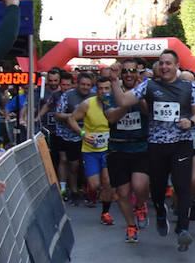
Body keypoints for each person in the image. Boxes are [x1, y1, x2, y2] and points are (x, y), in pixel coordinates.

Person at [113, 49, 195, 251]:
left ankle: (183, 230)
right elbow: (122, 101)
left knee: (182, 186)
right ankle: (160, 213)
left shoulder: (189, 87)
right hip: (156, 144)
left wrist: (190, 121)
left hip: (181, 142)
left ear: (176, 66)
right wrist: (113, 81)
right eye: (161, 63)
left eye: (168, 63)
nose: (164, 67)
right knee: (158, 188)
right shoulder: (149, 86)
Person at [104, 60, 155, 240]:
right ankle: (131, 226)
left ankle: (140, 205)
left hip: (140, 146)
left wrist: (138, 95)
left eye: (132, 70)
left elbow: (150, 112)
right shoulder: (110, 94)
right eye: (124, 71)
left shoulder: (144, 91)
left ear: (137, 73)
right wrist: (123, 100)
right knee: (123, 192)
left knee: (139, 185)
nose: (128, 74)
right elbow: (111, 117)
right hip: (118, 148)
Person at [66, 76, 123, 232]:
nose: (103, 92)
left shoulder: (116, 104)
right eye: (100, 88)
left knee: (107, 180)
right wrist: (83, 133)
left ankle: (105, 212)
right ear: (95, 90)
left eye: (106, 88)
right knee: (95, 184)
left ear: (111, 90)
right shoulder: (87, 104)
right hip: (90, 150)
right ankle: (99, 192)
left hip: (108, 149)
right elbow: (71, 119)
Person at [52, 72, 91, 204]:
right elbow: (57, 114)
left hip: (88, 134)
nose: (85, 87)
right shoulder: (67, 96)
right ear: (77, 84)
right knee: (68, 162)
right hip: (67, 134)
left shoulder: (95, 96)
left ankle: (87, 189)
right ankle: (69, 190)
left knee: (85, 163)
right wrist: (72, 116)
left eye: (88, 85)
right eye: (83, 84)